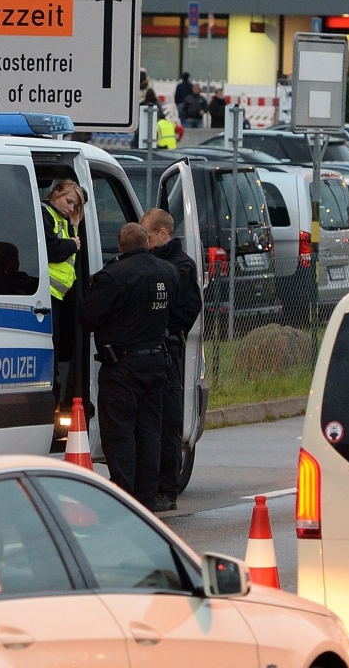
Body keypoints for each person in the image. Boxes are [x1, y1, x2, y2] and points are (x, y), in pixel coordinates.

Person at [77, 222, 178, 507]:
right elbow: (178, 310)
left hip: (122, 366)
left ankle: (124, 498)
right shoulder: (168, 272)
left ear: (121, 247)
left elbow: (87, 317)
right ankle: (146, 498)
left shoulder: (113, 277)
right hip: (157, 361)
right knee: (149, 431)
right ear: (147, 243)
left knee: (120, 432)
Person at [143, 208, 203, 512]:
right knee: (151, 422)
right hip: (153, 350)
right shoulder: (161, 264)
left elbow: (186, 311)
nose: (146, 243)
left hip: (169, 351)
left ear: (163, 234)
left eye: (149, 236)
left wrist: (166, 330)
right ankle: (151, 485)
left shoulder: (180, 267)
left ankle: (167, 488)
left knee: (167, 422)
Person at [40, 179, 85, 405]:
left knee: (58, 350)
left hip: (57, 297)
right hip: (44, 294)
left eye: (75, 205)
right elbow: (52, 249)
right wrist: (73, 244)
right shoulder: (45, 213)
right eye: (68, 201)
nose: (70, 208)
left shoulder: (63, 221)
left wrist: (75, 226)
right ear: (55, 193)